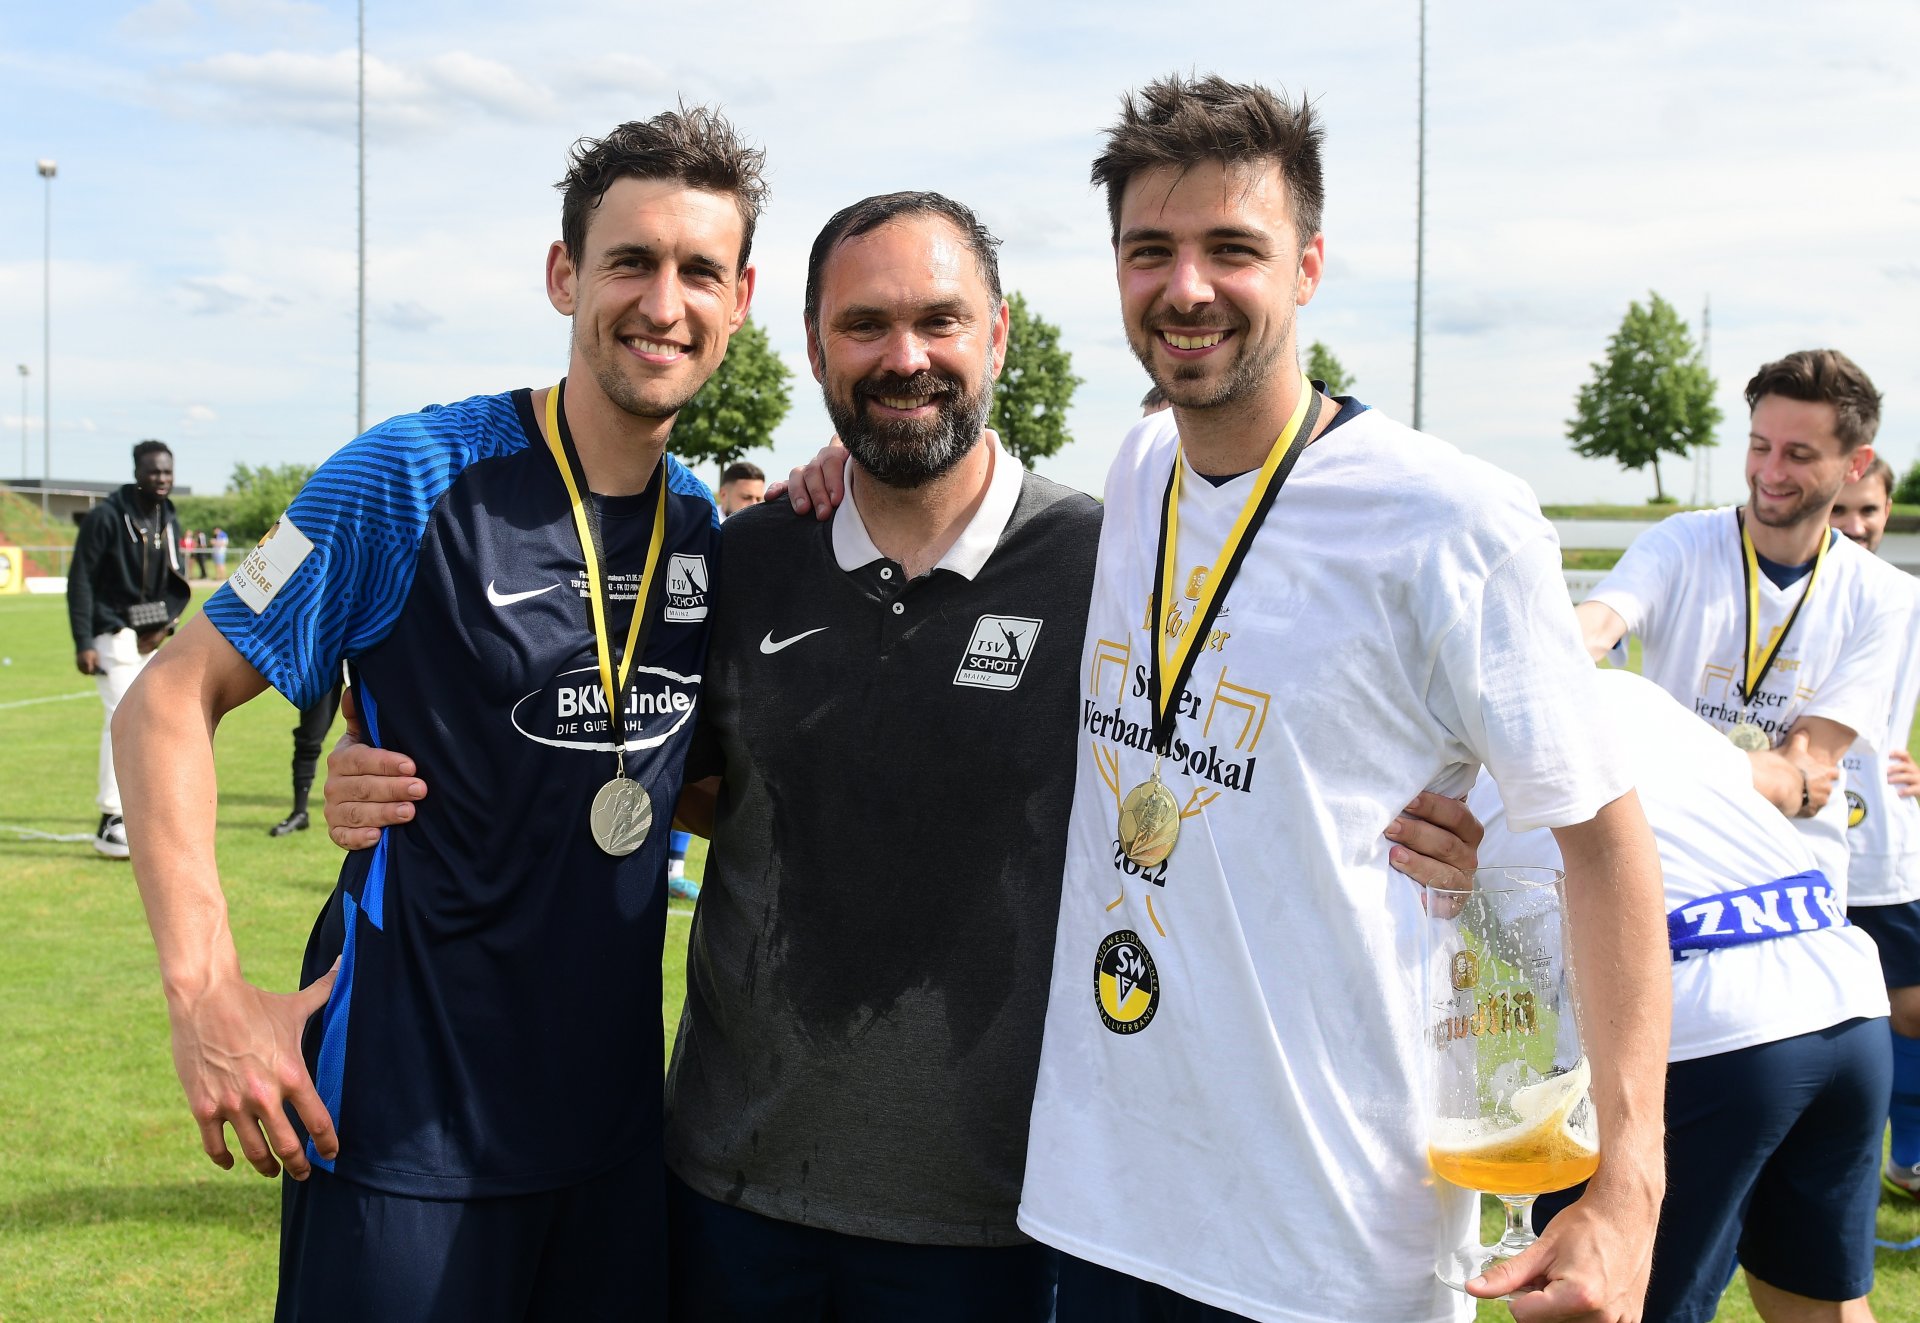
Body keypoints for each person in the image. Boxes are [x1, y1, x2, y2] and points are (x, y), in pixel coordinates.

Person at [326, 185, 1493, 1321]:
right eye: (864, 325)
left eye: (938, 321)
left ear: (998, 335)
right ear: (813, 346)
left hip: (999, 1216)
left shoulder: (1115, 558)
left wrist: (1464, 821)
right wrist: (388, 760)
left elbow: (1289, 715)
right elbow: (654, 766)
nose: (904, 357)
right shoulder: (744, 559)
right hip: (728, 1192)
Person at [1007, 74, 1667, 1323]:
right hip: (1101, 1205)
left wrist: (1627, 1190)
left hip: (1327, 1246)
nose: (1186, 287)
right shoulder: (1140, 463)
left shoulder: (1451, 519)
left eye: (1231, 249)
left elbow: (1606, 841)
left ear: (1307, 266)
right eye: (1151, 251)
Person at [110, 107, 764, 1321]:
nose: (662, 301)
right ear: (565, 274)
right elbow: (165, 696)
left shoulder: (705, 525)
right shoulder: (406, 476)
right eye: (630, 260)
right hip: (404, 1130)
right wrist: (205, 995)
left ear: (740, 299)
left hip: (618, 1144)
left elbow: (702, 780)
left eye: (698, 271)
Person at [1475, 670, 1891, 1323]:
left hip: (1697, 1010)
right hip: (1840, 987)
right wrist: (1802, 777)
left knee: (1595, 1298)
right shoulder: (1620, 688)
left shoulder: (1419, 714)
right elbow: (1777, 781)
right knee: (1816, 1301)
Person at [1576, 351, 1909, 898]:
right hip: (1672, 869)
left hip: (1796, 879)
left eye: (1799, 454)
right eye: (1760, 447)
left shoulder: (1881, 593)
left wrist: (1644, 761)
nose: (1771, 472)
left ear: (1856, 463)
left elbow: (1810, 771)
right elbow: (1593, 628)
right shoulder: (1679, 543)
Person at [1825, 457, 1920, 1199]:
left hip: (1886, 844)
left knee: (1911, 1009)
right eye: (1842, 511)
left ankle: (1908, 1156)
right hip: (1791, 847)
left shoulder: (1906, 601)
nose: (1857, 528)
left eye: (1871, 512)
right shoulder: (1783, 596)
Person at [67, 439, 190, 859]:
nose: (162, 479)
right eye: (154, 471)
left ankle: (137, 813)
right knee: (121, 720)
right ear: (137, 472)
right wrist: (83, 641)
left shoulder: (166, 515)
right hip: (111, 632)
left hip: (150, 637)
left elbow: (178, 578)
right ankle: (110, 819)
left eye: (168, 472)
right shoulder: (105, 518)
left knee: (150, 723)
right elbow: (80, 579)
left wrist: (165, 627)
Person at [270, 680, 344, 837]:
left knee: (377, 736)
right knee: (309, 739)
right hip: (328, 661)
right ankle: (299, 813)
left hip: (368, 662)